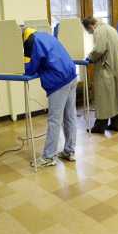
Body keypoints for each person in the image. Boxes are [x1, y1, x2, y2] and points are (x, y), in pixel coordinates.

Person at [23, 28, 77, 167]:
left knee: (54, 120)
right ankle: (69, 151)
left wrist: (21, 66)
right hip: (71, 75)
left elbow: (32, 67)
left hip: (58, 81)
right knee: (69, 117)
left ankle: (48, 157)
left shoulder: (33, 42)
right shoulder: (44, 35)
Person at [82, 17, 118, 134]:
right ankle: (115, 124)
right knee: (115, 98)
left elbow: (99, 49)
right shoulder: (111, 29)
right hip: (116, 68)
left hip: (106, 69)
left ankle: (99, 127)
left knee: (103, 99)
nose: (91, 33)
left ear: (91, 26)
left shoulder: (99, 31)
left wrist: (90, 57)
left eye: (90, 32)